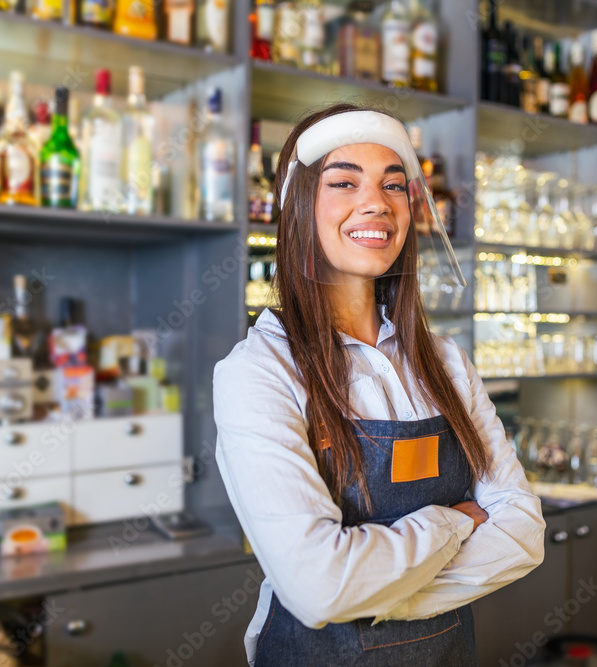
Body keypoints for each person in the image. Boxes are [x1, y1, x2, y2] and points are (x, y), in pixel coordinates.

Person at [213, 102, 545, 666]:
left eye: (395, 186)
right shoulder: (259, 371)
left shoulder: (445, 363)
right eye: (344, 182)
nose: (376, 203)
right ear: (299, 207)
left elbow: (523, 532)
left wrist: (372, 588)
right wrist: (453, 521)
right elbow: (320, 587)